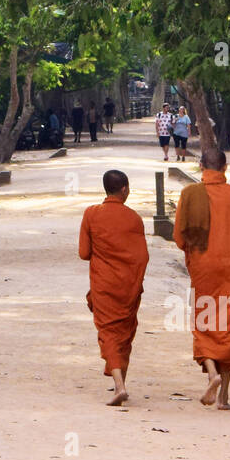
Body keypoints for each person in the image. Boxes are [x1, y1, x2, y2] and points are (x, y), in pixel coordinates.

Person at [172, 148, 230, 410]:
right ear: (225, 167)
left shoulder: (190, 194)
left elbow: (179, 238)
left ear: (200, 166)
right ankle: (224, 398)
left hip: (204, 267)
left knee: (204, 321)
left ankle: (212, 373)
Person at [78, 170, 149, 406]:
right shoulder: (134, 218)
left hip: (103, 283)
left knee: (108, 332)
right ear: (125, 189)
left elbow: (84, 253)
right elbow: (142, 257)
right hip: (128, 284)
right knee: (124, 333)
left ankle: (119, 386)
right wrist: (136, 282)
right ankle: (122, 382)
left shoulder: (91, 214)